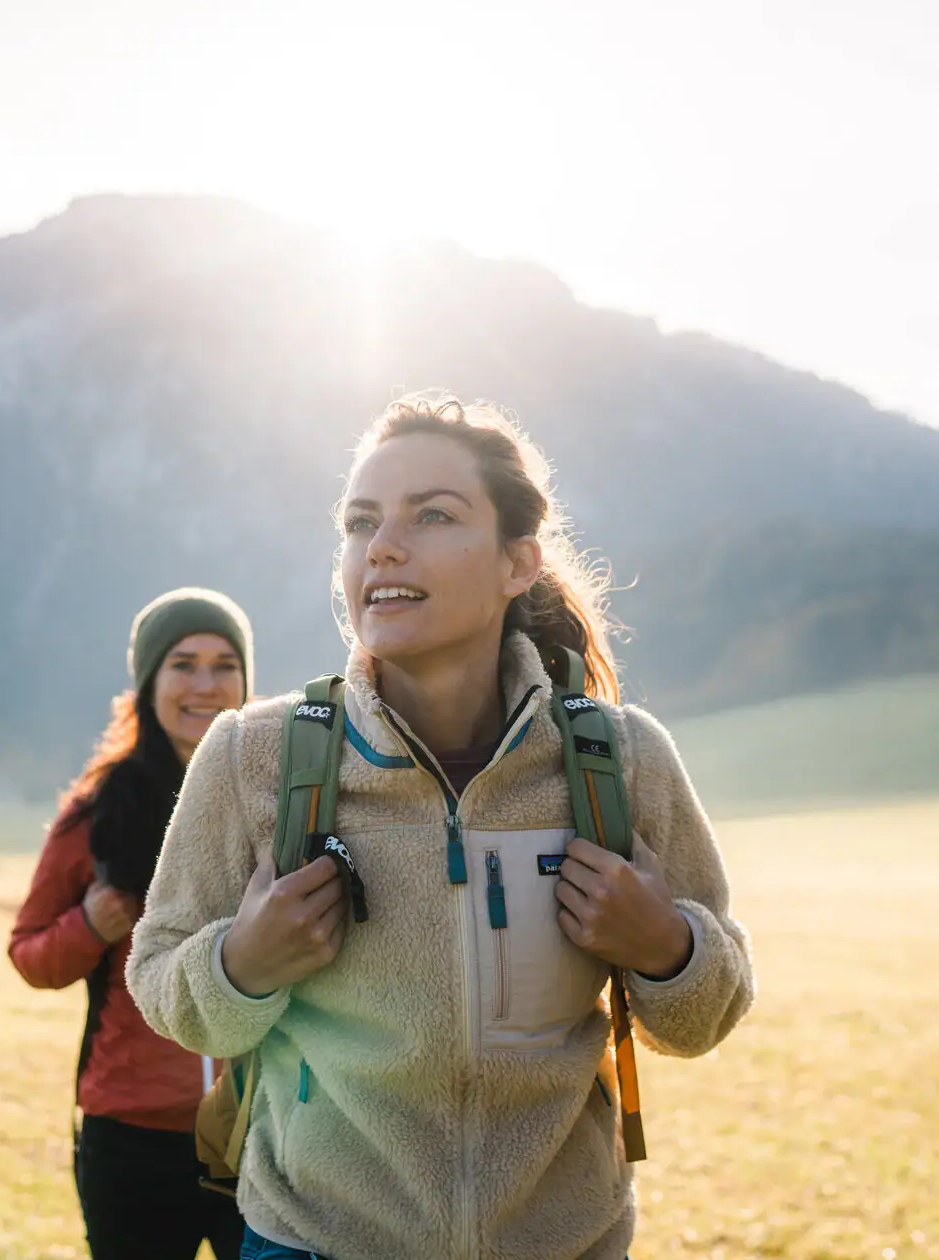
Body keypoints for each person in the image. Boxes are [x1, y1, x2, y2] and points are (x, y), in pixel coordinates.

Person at [127, 396, 755, 1260]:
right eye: (359, 523)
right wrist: (243, 964)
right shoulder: (253, 756)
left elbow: (705, 1016)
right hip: (315, 1242)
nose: (381, 545)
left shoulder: (621, 759)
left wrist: (667, 946)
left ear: (518, 562)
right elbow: (163, 980)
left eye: (432, 515)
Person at [9, 587, 254, 1260]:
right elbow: (30, 954)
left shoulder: (280, 801)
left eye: (224, 663)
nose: (205, 684)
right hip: (133, 1138)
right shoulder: (97, 815)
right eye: (183, 663)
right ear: (148, 681)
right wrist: (90, 924)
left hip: (261, 1130)